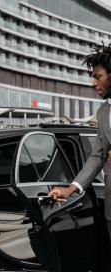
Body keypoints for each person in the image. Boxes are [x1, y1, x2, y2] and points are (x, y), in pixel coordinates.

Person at [49, 43, 111, 238]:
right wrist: (71, 189)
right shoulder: (103, 113)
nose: (93, 83)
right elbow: (97, 156)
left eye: (97, 77)